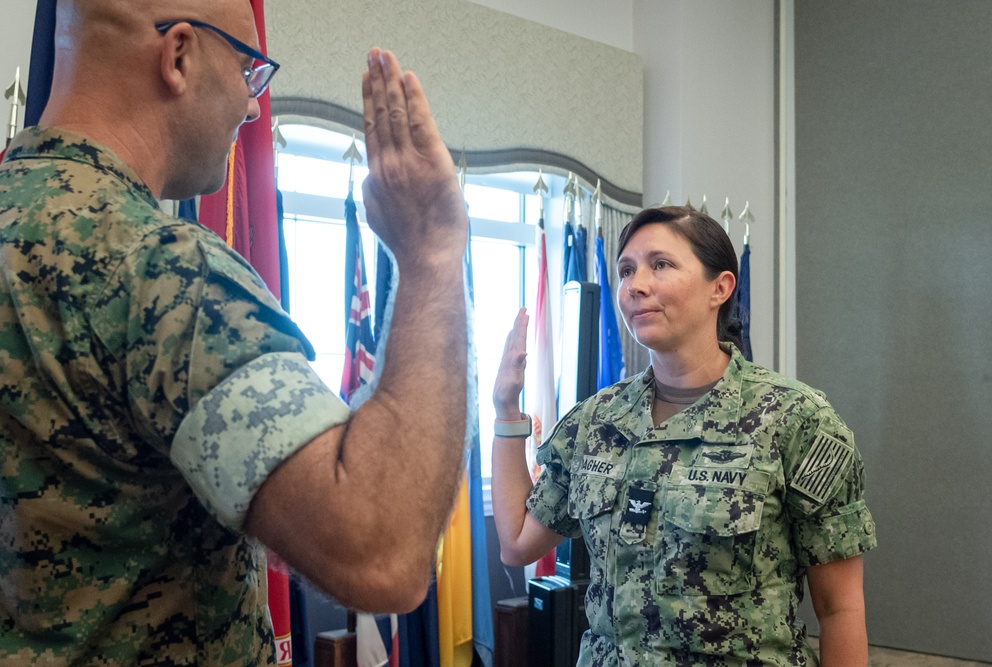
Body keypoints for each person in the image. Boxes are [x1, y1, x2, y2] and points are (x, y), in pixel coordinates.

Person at [0, 0, 470, 665]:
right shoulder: (155, 269)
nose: (253, 108)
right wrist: (432, 253)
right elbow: (381, 550)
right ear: (180, 55)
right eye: (249, 71)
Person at [492, 205, 876, 666]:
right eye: (626, 270)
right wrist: (505, 410)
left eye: (661, 264)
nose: (636, 285)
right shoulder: (596, 421)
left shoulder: (797, 420)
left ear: (721, 287)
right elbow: (517, 543)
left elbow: (840, 608)